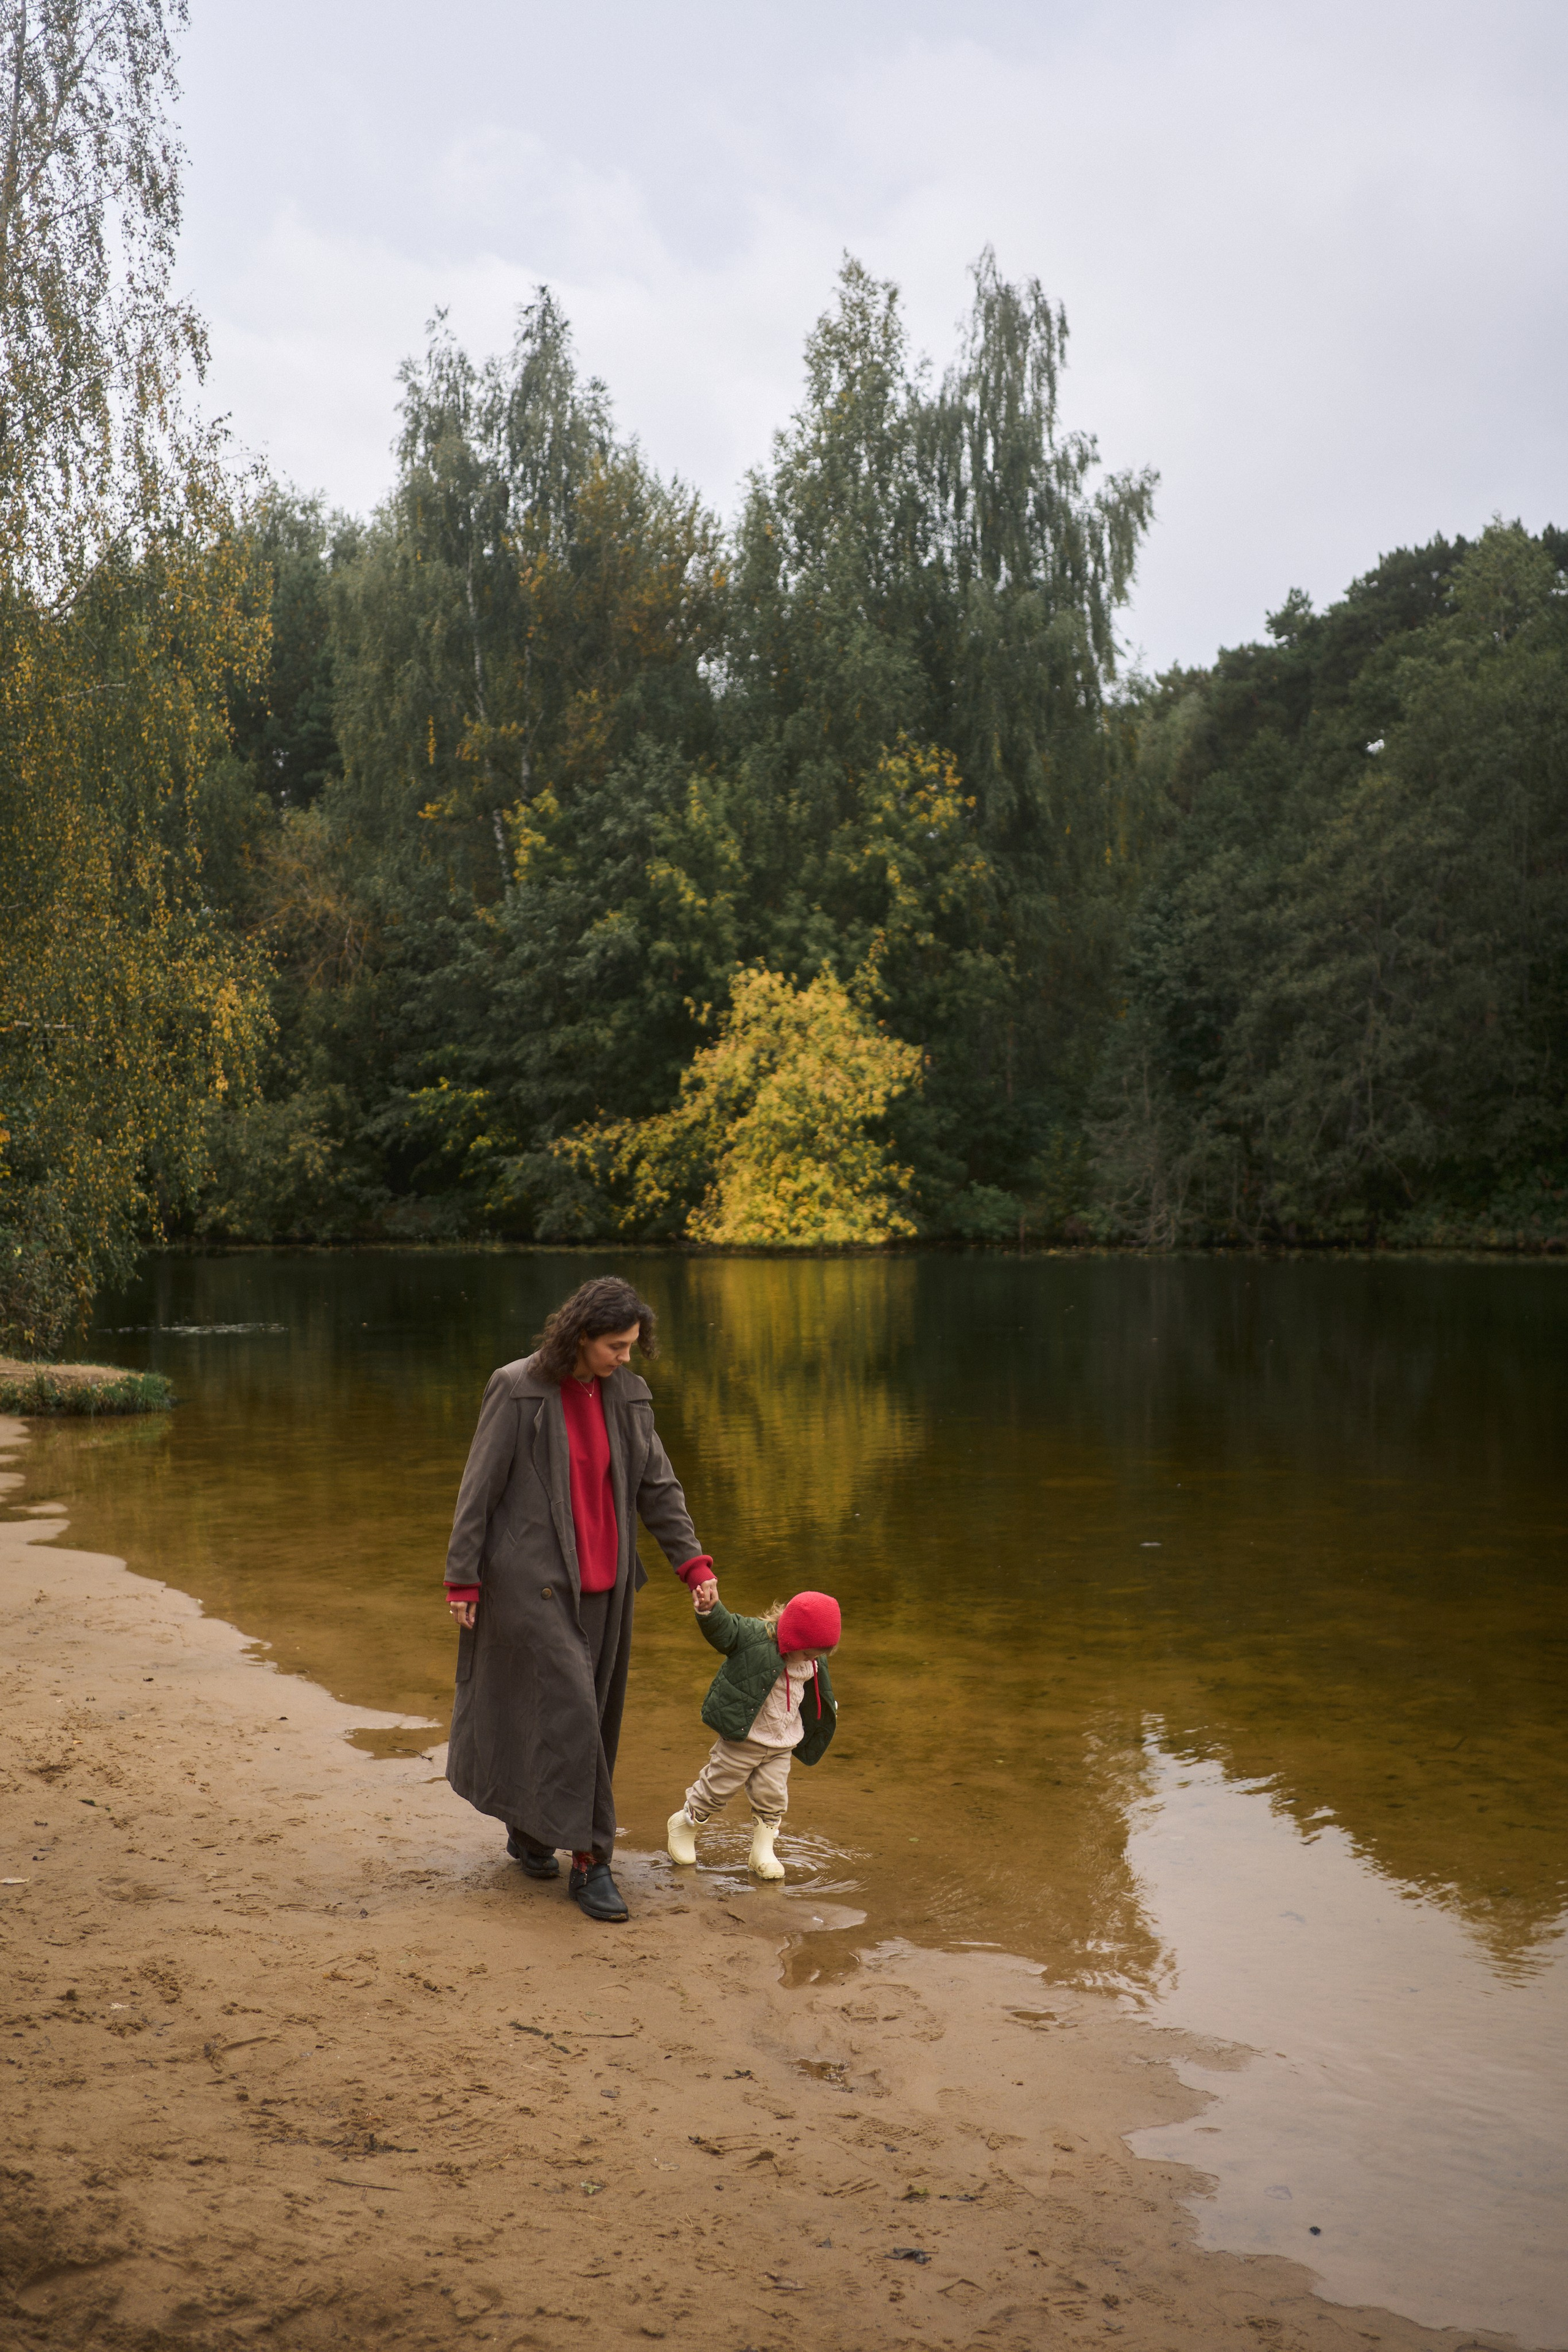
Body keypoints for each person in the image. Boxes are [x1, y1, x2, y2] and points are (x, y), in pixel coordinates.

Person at [442, 1275, 717, 1923]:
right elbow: (477, 1490)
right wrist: (463, 1577)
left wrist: (692, 1563)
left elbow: (658, 1485)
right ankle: (592, 1862)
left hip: (608, 1588)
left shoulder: (628, 1393)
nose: (626, 1356)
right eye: (616, 1346)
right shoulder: (517, 1389)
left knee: (586, 1720)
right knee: (570, 1715)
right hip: (528, 1585)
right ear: (581, 1336)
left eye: (631, 1346)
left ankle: (533, 1829)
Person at [665, 1589, 840, 1880]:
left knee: (773, 1796)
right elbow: (725, 1630)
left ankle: (763, 1850)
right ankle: (685, 1823)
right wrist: (710, 1610)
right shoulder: (755, 1637)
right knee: (717, 1788)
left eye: (820, 1655)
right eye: (810, 1653)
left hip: (783, 1741)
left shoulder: (813, 1658)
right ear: (793, 1638)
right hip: (744, 1739)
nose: (814, 1660)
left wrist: (827, 1709)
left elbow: (818, 1691)